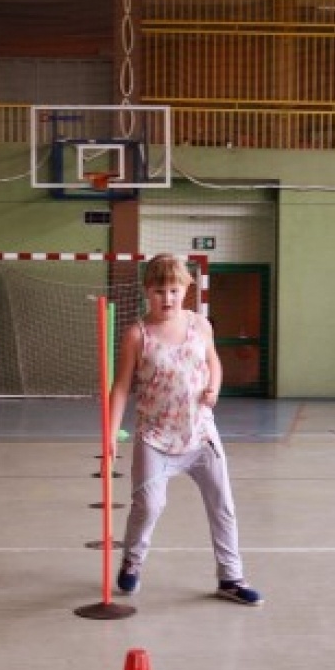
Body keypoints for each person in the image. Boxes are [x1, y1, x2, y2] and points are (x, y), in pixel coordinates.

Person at [109, 252, 263, 606]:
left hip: (200, 435)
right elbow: (120, 387)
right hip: (155, 437)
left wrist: (215, 388)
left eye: (175, 290)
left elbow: (214, 363)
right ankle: (133, 560)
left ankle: (230, 577)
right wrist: (110, 434)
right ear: (147, 291)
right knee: (149, 505)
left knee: (222, 503)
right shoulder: (138, 334)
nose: (168, 297)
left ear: (186, 290)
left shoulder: (200, 325)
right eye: (160, 290)